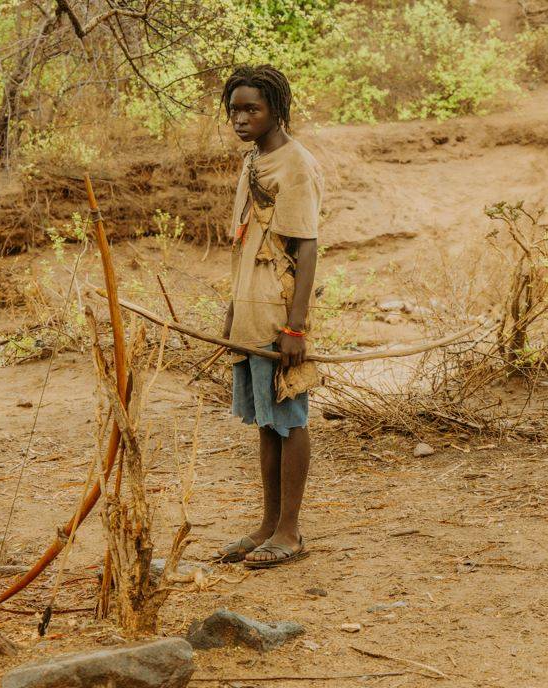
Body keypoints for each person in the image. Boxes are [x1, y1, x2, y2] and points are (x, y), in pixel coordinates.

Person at [215, 64, 323, 568]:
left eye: (251, 109)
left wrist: (295, 326)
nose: (240, 118)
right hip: (251, 310)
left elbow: (305, 247)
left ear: (275, 110)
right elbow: (245, 243)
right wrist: (234, 310)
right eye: (235, 109)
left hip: (280, 311)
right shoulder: (252, 161)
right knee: (265, 420)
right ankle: (267, 523)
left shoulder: (294, 163)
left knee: (288, 417)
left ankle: (290, 531)